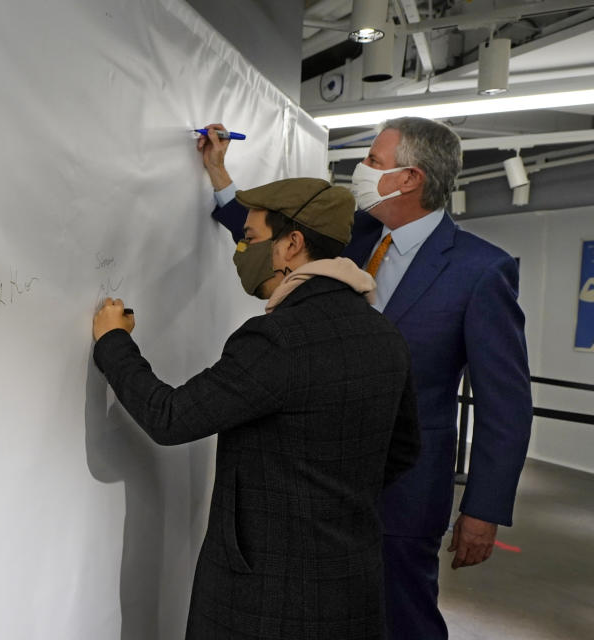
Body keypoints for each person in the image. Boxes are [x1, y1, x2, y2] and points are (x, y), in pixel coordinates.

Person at [200, 118, 533, 639]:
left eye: (374, 162)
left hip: (405, 490)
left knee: (402, 618)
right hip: (320, 484)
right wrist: (218, 172)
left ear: (409, 179)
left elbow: (505, 405)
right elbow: (266, 233)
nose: (361, 170)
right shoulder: (350, 236)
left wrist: (483, 509)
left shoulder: (479, 270)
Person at [91, 178, 421, 639]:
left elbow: (169, 417)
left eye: (250, 238)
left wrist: (113, 342)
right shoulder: (384, 334)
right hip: (352, 585)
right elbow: (403, 450)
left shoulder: (277, 340)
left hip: (266, 598)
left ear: (292, 244)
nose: (241, 250)